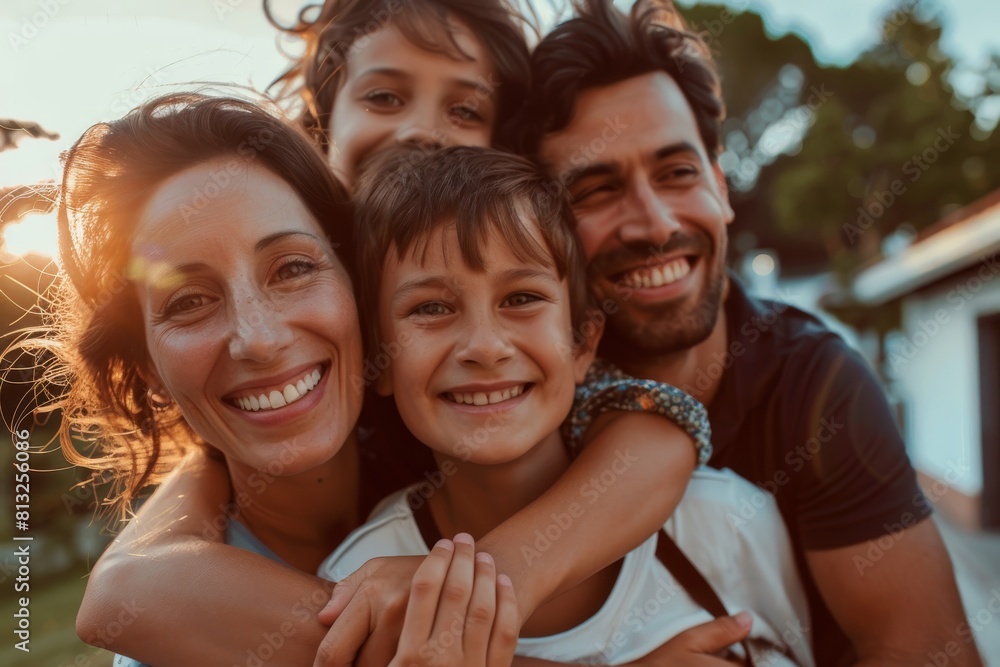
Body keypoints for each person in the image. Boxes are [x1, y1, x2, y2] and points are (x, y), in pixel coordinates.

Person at [70, 4, 745, 664]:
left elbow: (655, 428)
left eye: (293, 269)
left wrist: (477, 584)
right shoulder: (211, 501)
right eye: (386, 95)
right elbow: (127, 586)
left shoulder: (495, 376)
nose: (261, 338)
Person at [515, 0, 980, 664]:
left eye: (677, 173)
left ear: (721, 188)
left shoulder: (817, 389)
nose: (652, 223)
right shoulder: (499, 386)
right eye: (596, 189)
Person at [27, 92, 517, 666]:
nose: (259, 339)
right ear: (148, 370)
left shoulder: (493, 447)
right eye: (189, 301)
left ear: (359, 286)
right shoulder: (162, 644)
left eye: (293, 268)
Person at [319, 143, 814, 665]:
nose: (485, 347)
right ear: (378, 358)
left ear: (583, 344)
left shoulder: (726, 522)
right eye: (432, 307)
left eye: (521, 298)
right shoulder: (360, 583)